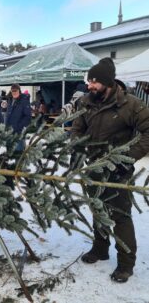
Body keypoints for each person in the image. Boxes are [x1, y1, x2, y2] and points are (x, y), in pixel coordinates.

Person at [71, 57, 149, 283]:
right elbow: (77, 127)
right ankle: (100, 249)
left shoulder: (131, 105)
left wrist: (127, 157)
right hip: (93, 167)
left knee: (120, 216)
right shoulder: (86, 101)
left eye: (94, 82)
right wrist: (77, 149)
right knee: (98, 210)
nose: (90, 86)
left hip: (118, 170)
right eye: (89, 81)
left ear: (108, 82)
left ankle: (126, 264)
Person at [5, 84, 32, 150]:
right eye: (12, 91)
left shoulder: (24, 101)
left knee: (18, 152)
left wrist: (19, 126)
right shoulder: (10, 100)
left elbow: (28, 116)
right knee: (9, 153)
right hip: (9, 131)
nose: (14, 92)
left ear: (19, 91)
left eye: (15, 91)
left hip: (19, 132)